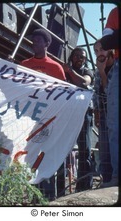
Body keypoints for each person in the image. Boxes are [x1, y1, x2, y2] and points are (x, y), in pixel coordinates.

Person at [21, 28, 66, 200]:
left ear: (47, 43)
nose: (34, 43)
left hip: (49, 120)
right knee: (31, 155)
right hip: (29, 119)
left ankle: (48, 197)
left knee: (47, 155)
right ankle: (34, 195)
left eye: (38, 41)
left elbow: (64, 94)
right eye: (33, 40)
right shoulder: (24, 65)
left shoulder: (56, 67)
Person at [62, 47, 94, 192]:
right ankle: (60, 187)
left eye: (82, 57)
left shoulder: (87, 71)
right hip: (67, 114)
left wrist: (70, 72)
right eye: (76, 56)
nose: (79, 59)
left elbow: (84, 83)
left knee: (84, 151)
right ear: (71, 56)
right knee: (62, 149)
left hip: (83, 114)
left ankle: (84, 186)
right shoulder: (63, 70)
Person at [99, 6, 119, 188]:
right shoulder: (115, 12)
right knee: (115, 126)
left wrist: (116, 37)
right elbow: (106, 42)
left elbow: (112, 39)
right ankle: (117, 176)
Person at [93, 39, 114, 184]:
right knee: (104, 150)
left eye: (102, 49)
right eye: (96, 51)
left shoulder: (116, 69)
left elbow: (109, 92)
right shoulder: (97, 71)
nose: (99, 53)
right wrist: (96, 112)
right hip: (103, 114)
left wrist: (102, 72)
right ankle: (106, 180)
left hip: (115, 114)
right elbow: (96, 93)